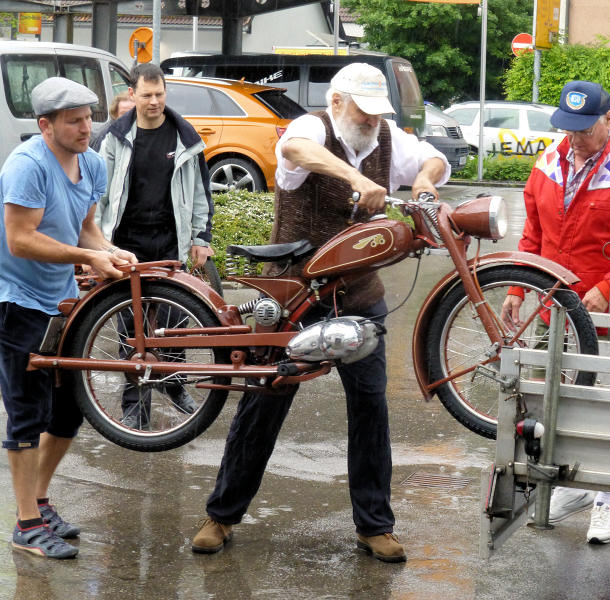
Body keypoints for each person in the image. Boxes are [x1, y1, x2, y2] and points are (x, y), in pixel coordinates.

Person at [190, 62, 450, 562]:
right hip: (294, 293)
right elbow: (294, 149)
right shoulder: (313, 127)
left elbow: (434, 158)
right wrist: (354, 177)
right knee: (265, 402)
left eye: (379, 114)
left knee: (371, 407)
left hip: (358, 293)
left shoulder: (388, 137)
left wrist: (423, 182)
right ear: (336, 102)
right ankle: (221, 516)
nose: (372, 121)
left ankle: (374, 526)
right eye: (364, 111)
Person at [501, 80, 610, 544]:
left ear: (607, 119)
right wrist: (518, 287)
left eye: (583, 129)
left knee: (607, 409)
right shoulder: (548, 164)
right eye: (567, 128)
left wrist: (607, 288)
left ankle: (604, 500)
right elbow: (532, 236)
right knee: (549, 405)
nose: (573, 138)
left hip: (608, 316)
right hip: (551, 310)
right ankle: (568, 489)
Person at [0, 77, 137, 559]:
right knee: (25, 414)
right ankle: (25, 525)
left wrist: (110, 252)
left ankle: (38, 500)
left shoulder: (92, 162)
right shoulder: (26, 167)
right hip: (15, 301)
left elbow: (88, 229)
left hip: (60, 299)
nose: (87, 127)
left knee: (67, 410)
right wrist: (86, 255)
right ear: (45, 125)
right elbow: (20, 239)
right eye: (74, 120)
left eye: (89, 117)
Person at [95, 62, 215, 429]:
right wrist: (99, 245)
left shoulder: (185, 138)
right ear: (131, 94)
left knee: (174, 323)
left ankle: (174, 384)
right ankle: (136, 403)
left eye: (159, 94)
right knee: (132, 328)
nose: (154, 101)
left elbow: (200, 193)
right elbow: (99, 195)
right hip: (126, 243)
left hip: (169, 240)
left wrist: (200, 238)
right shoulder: (114, 138)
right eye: (146, 95)